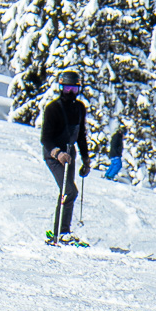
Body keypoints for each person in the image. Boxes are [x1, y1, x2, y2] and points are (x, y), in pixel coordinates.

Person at [38, 69, 92, 242]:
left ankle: (62, 231)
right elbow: (45, 138)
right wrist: (57, 153)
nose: (70, 93)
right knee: (69, 191)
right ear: (60, 87)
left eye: (74, 89)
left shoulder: (79, 108)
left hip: (70, 154)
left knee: (66, 191)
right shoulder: (53, 108)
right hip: (54, 155)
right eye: (67, 89)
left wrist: (85, 158)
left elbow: (81, 135)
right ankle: (60, 232)